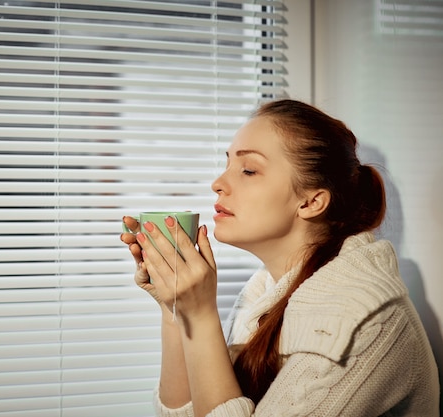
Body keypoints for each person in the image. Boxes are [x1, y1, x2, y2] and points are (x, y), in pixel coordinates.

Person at [120, 99, 439, 416]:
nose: (217, 184)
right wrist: (177, 309)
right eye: (228, 163)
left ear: (311, 202)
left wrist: (202, 314)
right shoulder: (266, 295)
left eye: (248, 170)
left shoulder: (361, 322)